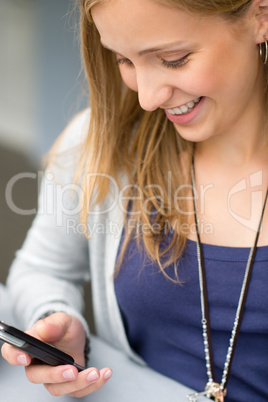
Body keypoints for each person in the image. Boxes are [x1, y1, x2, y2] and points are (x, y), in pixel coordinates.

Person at [2, 0, 268, 400]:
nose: (147, 97)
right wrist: (56, 320)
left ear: (260, 16)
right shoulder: (101, 142)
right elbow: (43, 269)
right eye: (123, 60)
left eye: (174, 59)